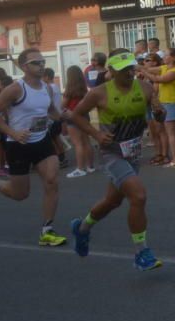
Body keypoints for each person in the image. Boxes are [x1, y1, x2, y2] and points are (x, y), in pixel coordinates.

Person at [66, 49, 164, 271]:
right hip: (112, 153)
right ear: (110, 71)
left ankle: (81, 228)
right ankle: (141, 253)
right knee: (138, 196)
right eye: (123, 70)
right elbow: (75, 115)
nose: (129, 72)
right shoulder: (99, 93)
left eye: (131, 67)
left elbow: (160, 114)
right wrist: (96, 134)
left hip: (134, 152)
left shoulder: (146, 88)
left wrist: (159, 112)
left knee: (112, 201)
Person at [0, 48, 67, 247]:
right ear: (25, 66)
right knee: (20, 194)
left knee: (52, 181)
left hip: (42, 141)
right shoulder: (16, 88)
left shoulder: (48, 88)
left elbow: (51, 110)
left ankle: (47, 230)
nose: (41, 65)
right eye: (36, 62)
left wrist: (62, 116)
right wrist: (13, 133)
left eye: (43, 61)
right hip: (18, 145)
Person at [144, 47, 175, 168]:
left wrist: (144, 72)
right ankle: (168, 156)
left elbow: (157, 79)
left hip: (171, 102)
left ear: (173, 57)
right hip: (163, 102)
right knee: (164, 131)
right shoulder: (164, 67)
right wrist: (138, 67)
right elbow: (149, 69)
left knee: (171, 132)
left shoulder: (174, 71)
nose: (164, 57)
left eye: (166, 55)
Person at [63, 65, 93, 177]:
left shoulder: (69, 91)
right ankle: (90, 166)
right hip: (84, 116)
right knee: (87, 142)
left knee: (77, 143)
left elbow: (62, 106)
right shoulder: (84, 90)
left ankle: (80, 168)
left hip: (72, 118)